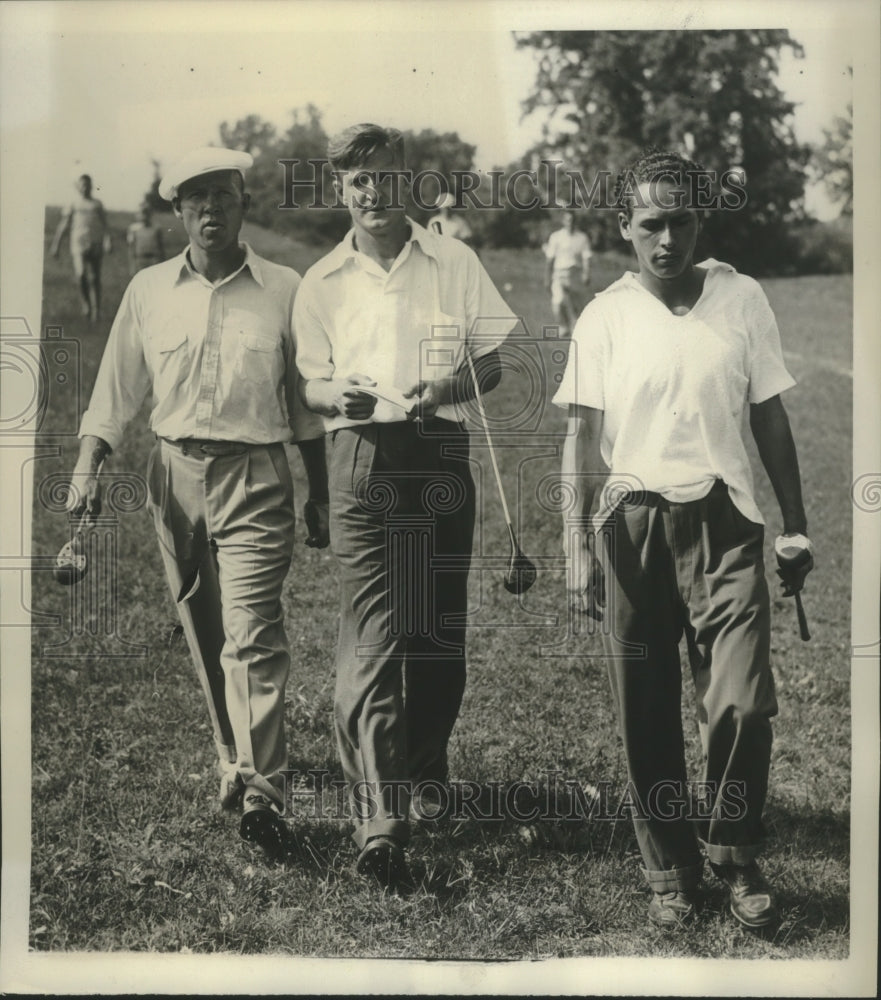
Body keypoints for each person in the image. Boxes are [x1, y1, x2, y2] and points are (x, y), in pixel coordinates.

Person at [555, 149, 813, 930]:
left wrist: (794, 524)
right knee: (645, 710)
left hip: (726, 524)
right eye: (651, 224)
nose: (667, 239)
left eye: (681, 221)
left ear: (700, 220)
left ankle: (734, 855)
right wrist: (572, 543)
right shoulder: (604, 314)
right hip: (630, 528)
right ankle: (668, 870)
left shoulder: (741, 297)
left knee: (739, 702)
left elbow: (768, 412)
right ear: (624, 228)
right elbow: (578, 433)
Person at [64, 147, 330, 858]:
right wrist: (89, 464)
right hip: (173, 477)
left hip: (256, 476)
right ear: (177, 211)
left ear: (245, 204)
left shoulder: (285, 288)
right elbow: (115, 391)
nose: (210, 208)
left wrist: (320, 495)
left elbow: (305, 405)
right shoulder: (149, 289)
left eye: (224, 195)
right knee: (205, 632)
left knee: (254, 632)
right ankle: (232, 757)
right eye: (195, 198)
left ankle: (263, 792)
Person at [294, 124, 518, 887]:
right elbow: (310, 384)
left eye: (386, 177)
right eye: (358, 181)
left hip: (442, 450)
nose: (373, 192)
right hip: (361, 454)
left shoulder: (452, 260)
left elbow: (494, 362)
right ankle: (379, 820)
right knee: (374, 633)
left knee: (434, 631)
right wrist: (336, 395)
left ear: (407, 183)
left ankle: (424, 771)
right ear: (340, 190)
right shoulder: (320, 280)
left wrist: (447, 387)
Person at [50, 173, 112, 322]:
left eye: (88, 185)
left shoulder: (97, 204)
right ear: (78, 187)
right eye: (82, 185)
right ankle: (86, 304)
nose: (85, 188)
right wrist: (56, 245)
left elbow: (105, 224)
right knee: (81, 274)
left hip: (95, 243)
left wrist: (108, 240)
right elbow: (64, 225)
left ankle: (96, 310)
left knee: (95, 277)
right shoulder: (73, 204)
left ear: (91, 186)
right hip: (78, 244)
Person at [544, 209, 591, 336]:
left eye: (572, 220)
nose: (570, 222)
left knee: (577, 304)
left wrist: (586, 273)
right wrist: (547, 278)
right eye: (568, 220)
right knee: (558, 301)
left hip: (575, 273)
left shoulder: (582, 237)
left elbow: (586, 257)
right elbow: (550, 259)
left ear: (576, 221)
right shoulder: (556, 237)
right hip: (559, 273)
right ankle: (563, 326)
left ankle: (576, 327)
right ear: (563, 221)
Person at [126, 202, 166, 274]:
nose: (144, 215)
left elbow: (161, 247)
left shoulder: (156, 228)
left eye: (146, 212)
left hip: (154, 259)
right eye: (141, 212)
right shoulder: (133, 229)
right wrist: (132, 266)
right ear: (137, 214)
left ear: (150, 214)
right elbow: (131, 248)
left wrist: (163, 263)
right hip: (140, 260)